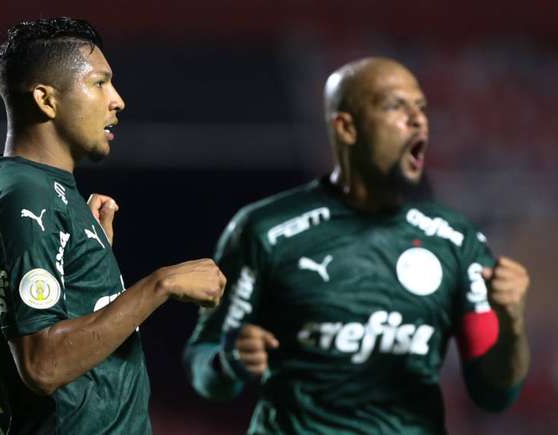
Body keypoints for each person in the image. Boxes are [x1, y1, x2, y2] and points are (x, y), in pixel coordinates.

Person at [183, 57, 530, 434]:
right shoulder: (265, 229)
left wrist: (510, 324)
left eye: (422, 108)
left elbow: (494, 394)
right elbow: (203, 364)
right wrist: (229, 362)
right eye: (397, 106)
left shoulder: (455, 240)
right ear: (347, 127)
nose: (418, 120)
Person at [0, 17, 226, 435]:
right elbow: (41, 364)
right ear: (46, 100)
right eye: (100, 83)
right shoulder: (27, 197)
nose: (117, 100)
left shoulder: (20, 186)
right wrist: (161, 284)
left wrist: (84, 279)